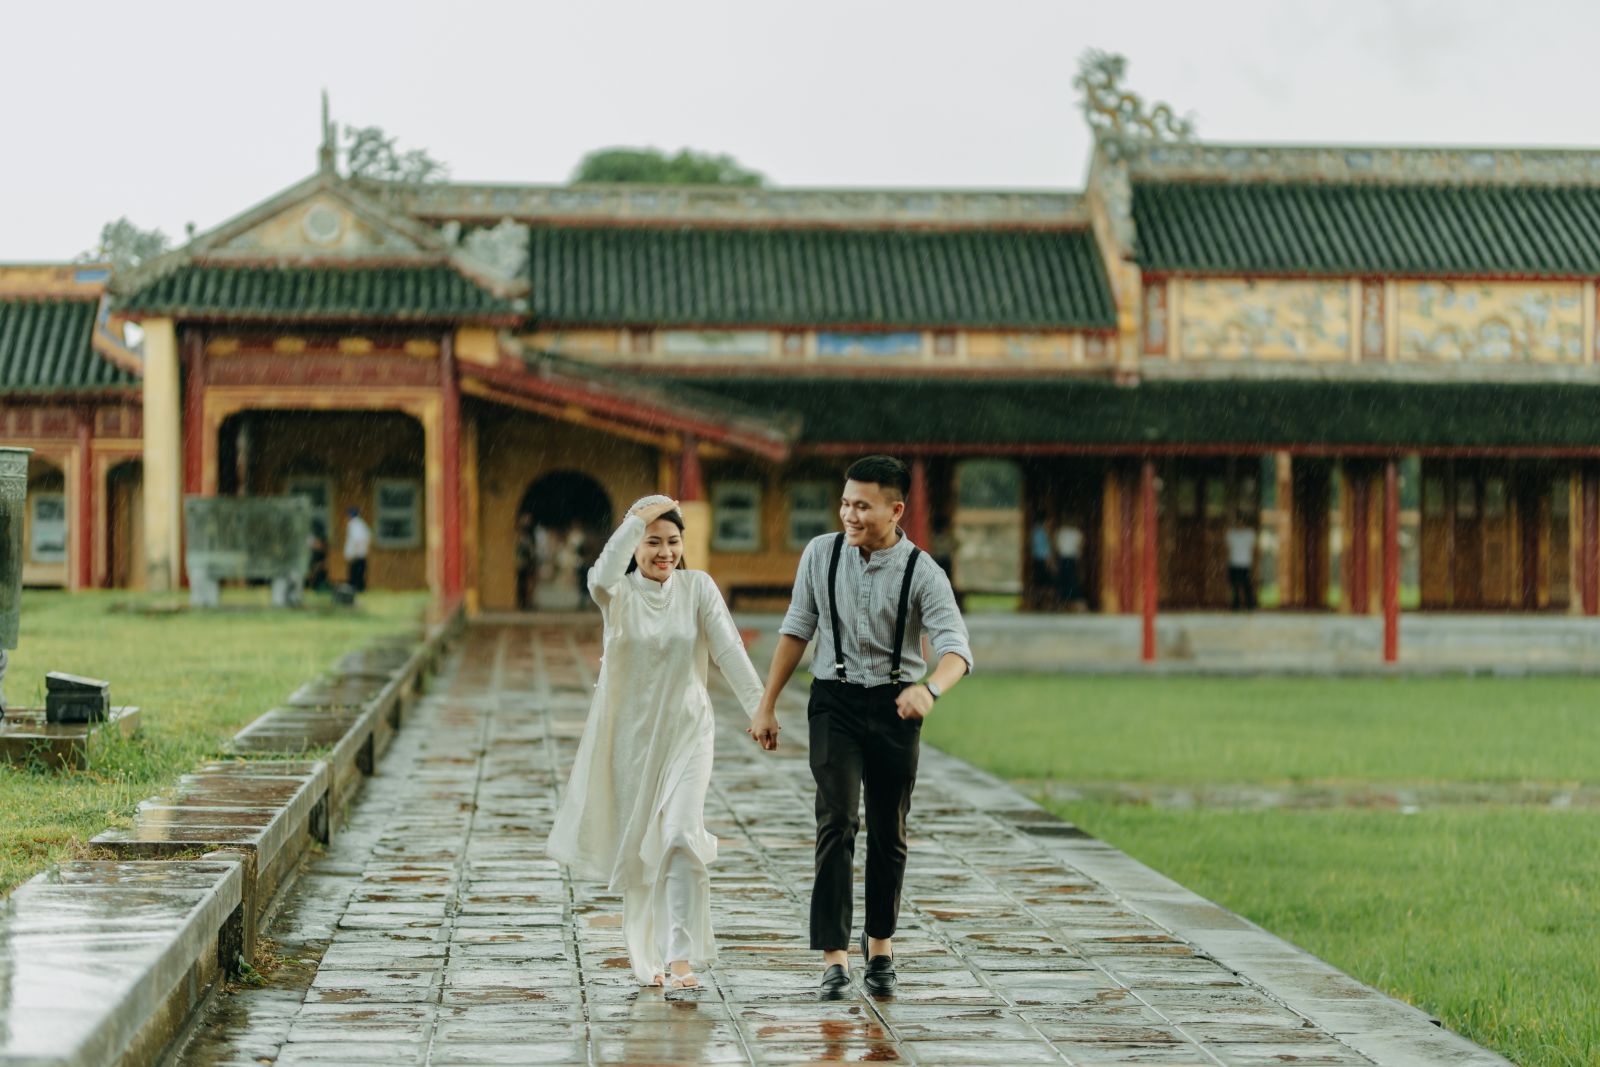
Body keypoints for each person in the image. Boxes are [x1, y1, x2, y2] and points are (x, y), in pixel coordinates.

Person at [748, 455, 973, 999]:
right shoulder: (819, 555)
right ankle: (834, 958)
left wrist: (929, 689)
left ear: (895, 510)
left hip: (898, 706)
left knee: (888, 832)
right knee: (837, 821)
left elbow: (956, 650)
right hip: (834, 702)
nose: (849, 514)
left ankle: (880, 949)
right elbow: (797, 627)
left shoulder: (924, 572)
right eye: (845, 503)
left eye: (862, 506)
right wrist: (766, 703)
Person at [547, 495, 766, 993]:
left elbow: (728, 650)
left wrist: (760, 709)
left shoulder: (698, 588)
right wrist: (633, 520)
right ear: (637, 546)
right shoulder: (617, 595)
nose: (664, 552)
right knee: (644, 853)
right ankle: (650, 957)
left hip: (689, 734)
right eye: (653, 543)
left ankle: (682, 959)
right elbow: (598, 576)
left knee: (681, 839)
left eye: (672, 542)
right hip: (633, 743)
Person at [1226, 521, 1258, 611]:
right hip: (1234, 563)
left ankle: (1250, 605)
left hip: (1245, 563)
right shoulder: (1231, 534)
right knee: (1234, 586)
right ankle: (1236, 605)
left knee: (1247, 585)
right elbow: (1227, 548)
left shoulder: (1249, 534)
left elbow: (1253, 548)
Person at [1054, 518, 1083, 608]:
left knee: (1064, 580)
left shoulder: (1060, 532)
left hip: (1063, 558)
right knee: (1072, 580)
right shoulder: (1077, 533)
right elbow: (1079, 547)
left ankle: (1065, 601)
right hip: (1071, 558)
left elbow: (1056, 547)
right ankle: (1072, 600)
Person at [343, 507, 371, 593]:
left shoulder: (354, 524)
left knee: (355, 577)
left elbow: (357, 540)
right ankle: (359, 590)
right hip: (361, 556)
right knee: (360, 576)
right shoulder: (362, 524)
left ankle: (356, 592)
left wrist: (354, 554)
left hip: (356, 556)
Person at [1029, 517, 1053, 609]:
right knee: (1046, 583)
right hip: (1043, 560)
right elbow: (1045, 549)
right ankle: (1045, 603)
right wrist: (1050, 562)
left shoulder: (1034, 531)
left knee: (1039, 582)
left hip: (1037, 560)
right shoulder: (1042, 533)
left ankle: (1038, 603)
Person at [514, 513, 537, 611]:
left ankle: (526, 603)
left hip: (527, 564)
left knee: (527, 584)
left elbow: (531, 551)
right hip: (520, 563)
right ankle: (522, 603)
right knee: (521, 584)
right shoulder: (518, 537)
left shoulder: (528, 537)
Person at [306, 519, 330, 593]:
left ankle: (317, 586)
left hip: (318, 556)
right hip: (316, 555)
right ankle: (313, 586)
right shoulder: (315, 535)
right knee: (314, 571)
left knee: (318, 571)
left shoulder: (320, 535)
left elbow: (321, 546)